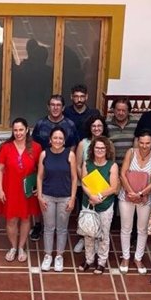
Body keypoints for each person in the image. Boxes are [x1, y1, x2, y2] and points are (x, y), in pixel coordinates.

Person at [30, 95, 79, 242]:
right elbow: (34, 146)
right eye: (52, 104)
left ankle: (59, 230)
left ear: (63, 107)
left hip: (62, 167)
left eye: (58, 105)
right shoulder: (40, 124)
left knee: (60, 201)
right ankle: (38, 225)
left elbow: (73, 146)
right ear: (48, 106)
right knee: (39, 197)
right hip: (43, 165)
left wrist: (69, 163)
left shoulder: (70, 124)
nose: (55, 107)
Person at [0, 117, 42, 263]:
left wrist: (37, 188)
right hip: (9, 188)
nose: (18, 133)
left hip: (27, 190)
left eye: (21, 129)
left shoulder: (36, 147)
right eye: (15, 130)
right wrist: (0, 189)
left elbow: (40, 171)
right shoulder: (6, 147)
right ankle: (13, 247)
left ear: (27, 130)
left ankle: (22, 247)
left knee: (25, 218)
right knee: (11, 220)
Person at [119, 129, 151, 274]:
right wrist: (131, 192)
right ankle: (125, 257)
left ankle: (138, 258)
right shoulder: (130, 153)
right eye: (141, 143)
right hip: (127, 195)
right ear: (137, 142)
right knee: (126, 227)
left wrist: (141, 193)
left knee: (142, 229)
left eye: (147, 143)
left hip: (145, 197)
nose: (144, 146)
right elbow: (123, 174)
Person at [37, 127, 77, 272]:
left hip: (65, 197)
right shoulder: (44, 154)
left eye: (60, 138)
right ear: (50, 139)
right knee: (48, 228)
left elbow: (74, 178)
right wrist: (40, 196)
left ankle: (59, 256)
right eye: (55, 138)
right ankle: (48, 255)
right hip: (47, 196)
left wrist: (72, 198)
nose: (58, 141)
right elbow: (40, 177)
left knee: (62, 228)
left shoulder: (70, 155)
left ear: (64, 140)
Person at [78, 136, 119, 275]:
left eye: (102, 148)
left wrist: (99, 197)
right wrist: (92, 196)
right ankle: (89, 260)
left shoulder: (112, 165)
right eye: (97, 148)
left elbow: (114, 187)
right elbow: (84, 182)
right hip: (88, 203)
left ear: (107, 149)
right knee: (88, 233)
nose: (100, 150)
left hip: (105, 204)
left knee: (103, 234)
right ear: (92, 149)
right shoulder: (86, 163)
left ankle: (101, 261)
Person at [73, 115, 109, 253]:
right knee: (86, 213)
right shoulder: (83, 143)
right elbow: (77, 164)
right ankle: (84, 238)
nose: (96, 128)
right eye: (93, 126)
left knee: (101, 215)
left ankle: (99, 241)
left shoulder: (108, 143)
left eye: (99, 126)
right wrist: (84, 181)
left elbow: (110, 164)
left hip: (103, 187)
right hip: (86, 186)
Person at [108, 97, 137, 168]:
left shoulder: (136, 123)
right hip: (112, 165)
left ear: (128, 111)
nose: (121, 113)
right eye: (118, 110)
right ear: (113, 110)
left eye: (124, 110)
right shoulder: (106, 124)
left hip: (131, 166)